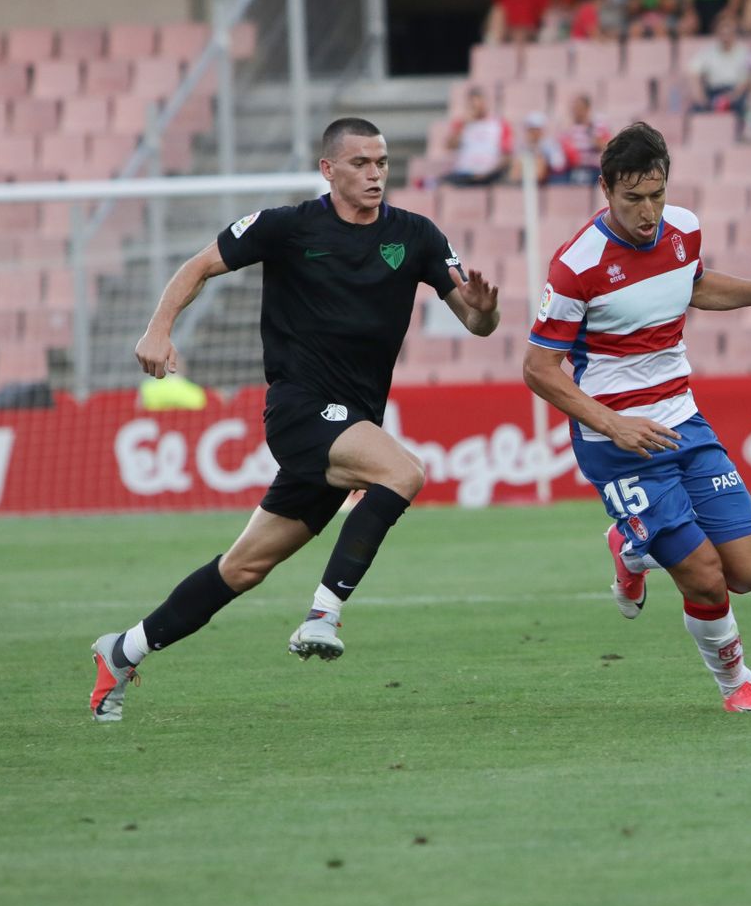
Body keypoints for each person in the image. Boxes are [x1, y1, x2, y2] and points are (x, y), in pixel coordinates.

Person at [89, 118, 502, 722]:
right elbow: (199, 265)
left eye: (381, 163)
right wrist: (158, 328)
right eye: (360, 163)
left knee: (245, 567)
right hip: (299, 410)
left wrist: (484, 312)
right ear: (328, 170)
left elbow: (474, 321)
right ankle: (323, 614)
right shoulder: (286, 227)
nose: (375, 174)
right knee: (403, 473)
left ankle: (120, 652)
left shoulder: (415, 236)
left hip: (351, 421)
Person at [522, 123, 751, 713]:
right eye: (633, 198)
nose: (648, 212)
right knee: (704, 575)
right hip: (618, 442)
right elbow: (539, 368)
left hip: (684, 421)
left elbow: (695, 286)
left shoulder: (684, 230)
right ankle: (737, 683)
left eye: (657, 195)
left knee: (750, 569)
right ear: (606, 189)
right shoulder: (576, 266)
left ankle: (628, 542)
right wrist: (614, 423)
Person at [442, 87, 512, 186]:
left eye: (479, 102)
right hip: (465, 172)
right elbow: (450, 146)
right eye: (473, 104)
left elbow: (507, 155)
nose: (476, 107)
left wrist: (490, 171)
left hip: (490, 173)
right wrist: (465, 124)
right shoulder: (461, 124)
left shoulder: (500, 124)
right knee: (445, 184)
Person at [686, 14, 751, 112]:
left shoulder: (744, 52)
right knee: (696, 109)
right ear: (718, 34)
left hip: (736, 93)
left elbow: (746, 79)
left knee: (745, 107)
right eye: (723, 34)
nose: (726, 37)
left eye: (728, 33)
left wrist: (732, 96)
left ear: (734, 34)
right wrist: (701, 97)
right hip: (714, 92)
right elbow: (693, 71)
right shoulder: (708, 51)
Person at [558, 93, 610, 185]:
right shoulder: (568, 129)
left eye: (579, 107)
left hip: (595, 169)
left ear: (587, 108)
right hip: (575, 169)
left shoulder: (598, 125)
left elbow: (607, 147)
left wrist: (592, 135)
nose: (576, 111)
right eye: (575, 108)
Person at [505, 112, 567, 187]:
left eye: (537, 129)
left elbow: (558, 165)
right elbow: (514, 170)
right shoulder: (522, 146)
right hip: (524, 180)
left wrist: (541, 155)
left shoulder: (550, 145)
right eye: (531, 129)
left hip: (547, 181)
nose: (534, 133)